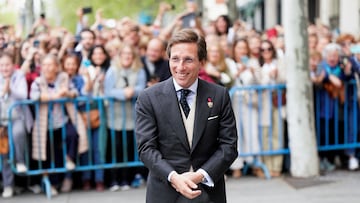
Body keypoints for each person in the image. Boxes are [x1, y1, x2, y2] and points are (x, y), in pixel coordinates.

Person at [135, 28, 238, 203]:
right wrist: (174, 177)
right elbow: (146, 148)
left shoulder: (219, 95)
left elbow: (229, 146)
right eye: (175, 59)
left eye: (188, 60)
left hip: (208, 192)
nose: (180, 67)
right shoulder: (149, 98)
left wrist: (199, 176)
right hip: (165, 192)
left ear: (202, 62)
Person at [0, 52, 33, 198]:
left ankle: (20, 161)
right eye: (1, 65)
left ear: (13, 65)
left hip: (18, 117)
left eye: (7, 64)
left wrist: (10, 89)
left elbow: (23, 95)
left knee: (18, 134)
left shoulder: (19, 76)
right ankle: (8, 185)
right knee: (4, 152)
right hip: (2, 119)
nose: (4, 68)